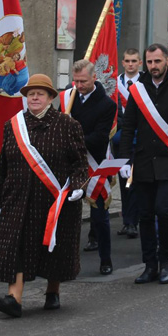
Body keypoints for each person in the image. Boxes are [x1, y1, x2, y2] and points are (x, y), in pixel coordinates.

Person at [0, 74, 87, 318]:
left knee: (53, 247)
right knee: (16, 245)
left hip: (53, 199)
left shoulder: (68, 125)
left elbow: (80, 164)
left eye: (40, 93)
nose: (34, 97)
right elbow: (4, 165)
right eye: (30, 93)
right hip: (18, 198)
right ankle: (14, 298)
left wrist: (78, 186)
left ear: (50, 98)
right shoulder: (13, 125)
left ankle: (53, 291)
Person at [118, 44, 168, 285]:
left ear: (166, 61)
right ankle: (149, 265)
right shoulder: (138, 91)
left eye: (157, 61)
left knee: (164, 211)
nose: (153, 66)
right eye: (150, 62)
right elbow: (128, 126)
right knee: (144, 215)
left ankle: (166, 262)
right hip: (143, 163)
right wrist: (124, 159)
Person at [67, 60, 117, 275]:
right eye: (76, 81)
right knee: (67, 214)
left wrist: (71, 140)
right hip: (70, 164)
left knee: (100, 217)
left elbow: (100, 137)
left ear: (94, 78)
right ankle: (66, 261)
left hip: (94, 164)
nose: (79, 86)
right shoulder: (68, 98)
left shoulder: (107, 104)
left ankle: (105, 259)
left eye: (83, 81)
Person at [115, 49, 141, 239]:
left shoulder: (145, 83)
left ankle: (134, 221)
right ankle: (127, 220)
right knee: (124, 180)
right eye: (127, 61)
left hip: (140, 138)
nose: (130, 64)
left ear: (140, 63)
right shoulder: (115, 84)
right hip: (120, 138)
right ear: (122, 63)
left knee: (136, 181)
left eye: (134, 61)